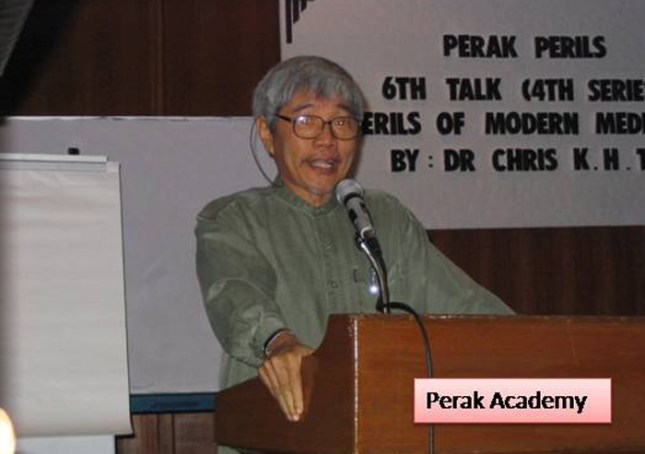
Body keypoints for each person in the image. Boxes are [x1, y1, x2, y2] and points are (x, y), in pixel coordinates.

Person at [195, 55, 513, 444]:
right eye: (307, 121)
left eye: (343, 123)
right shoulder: (233, 219)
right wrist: (279, 342)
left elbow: (467, 306)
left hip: (388, 431)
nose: (327, 140)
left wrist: (543, 352)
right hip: (281, 437)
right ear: (267, 133)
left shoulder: (383, 217)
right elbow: (235, 294)